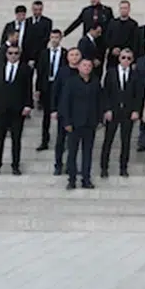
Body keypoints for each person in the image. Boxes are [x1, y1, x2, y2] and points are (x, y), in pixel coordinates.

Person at [0, 45, 32, 176]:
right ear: (6, 54)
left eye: (16, 53)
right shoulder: (0, 68)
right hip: (2, 108)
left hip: (18, 109)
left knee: (16, 139)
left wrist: (28, 105)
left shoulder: (25, 69)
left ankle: (15, 165)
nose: (13, 55)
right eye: (10, 53)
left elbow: (28, 87)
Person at [58, 57, 102, 190]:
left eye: (89, 66)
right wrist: (67, 121)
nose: (87, 68)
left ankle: (86, 179)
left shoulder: (95, 83)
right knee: (72, 153)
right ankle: (71, 179)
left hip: (90, 123)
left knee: (87, 153)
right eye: (84, 65)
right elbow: (65, 103)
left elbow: (99, 102)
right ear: (78, 67)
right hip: (74, 124)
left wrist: (99, 120)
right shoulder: (71, 82)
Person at [101, 48, 143, 178]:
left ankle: (123, 167)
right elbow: (105, 92)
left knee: (126, 141)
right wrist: (107, 109)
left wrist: (136, 110)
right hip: (113, 111)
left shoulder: (136, 74)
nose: (126, 60)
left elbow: (138, 94)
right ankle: (104, 167)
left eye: (129, 58)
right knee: (108, 140)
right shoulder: (111, 72)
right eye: (123, 57)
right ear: (119, 58)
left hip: (128, 112)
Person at [49, 48, 82, 176]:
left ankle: (71, 165)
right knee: (60, 140)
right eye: (72, 55)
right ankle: (58, 165)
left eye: (76, 54)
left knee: (74, 142)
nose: (74, 57)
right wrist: (53, 109)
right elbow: (55, 91)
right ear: (68, 57)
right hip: (63, 111)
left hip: (78, 112)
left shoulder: (83, 70)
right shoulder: (62, 71)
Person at [34, 29, 66, 151]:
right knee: (46, 116)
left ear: (60, 38)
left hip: (60, 87)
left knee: (61, 115)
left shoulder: (64, 53)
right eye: (52, 37)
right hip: (47, 86)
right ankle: (44, 141)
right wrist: (38, 89)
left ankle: (61, 142)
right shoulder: (44, 53)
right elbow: (40, 72)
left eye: (56, 37)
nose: (54, 40)